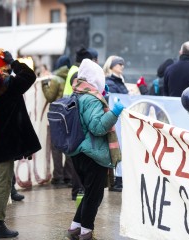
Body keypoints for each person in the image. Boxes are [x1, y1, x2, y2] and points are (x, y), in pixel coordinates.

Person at [0, 49, 41, 238]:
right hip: (6, 143)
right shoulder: (8, 84)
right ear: (3, 66)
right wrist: (15, 62)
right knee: (4, 181)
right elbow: (29, 75)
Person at [67, 59, 124, 240]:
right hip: (92, 154)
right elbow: (98, 127)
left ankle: (74, 228)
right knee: (94, 195)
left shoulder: (77, 93)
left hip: (78, 153)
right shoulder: (91, 99)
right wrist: (114, 113)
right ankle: (86, 232)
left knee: (91, 193)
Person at [42, 55, 84, 200]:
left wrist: (44, 85)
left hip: (58, 116)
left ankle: (58, 177)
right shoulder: (73, 76)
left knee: (56, 148)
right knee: (70, 148)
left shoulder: (56, 79)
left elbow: (49, 96)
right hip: (69, 117)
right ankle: (68, 176)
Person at [103, 55, 128, 192]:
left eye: (122, 63)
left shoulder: (119, 80)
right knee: (116, 148)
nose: (122, 66)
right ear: (112, 66)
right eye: (119, 64)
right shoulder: (111, 82)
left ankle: (116, 181)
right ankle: (116, 181)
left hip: (119, 120)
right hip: (115, 119)